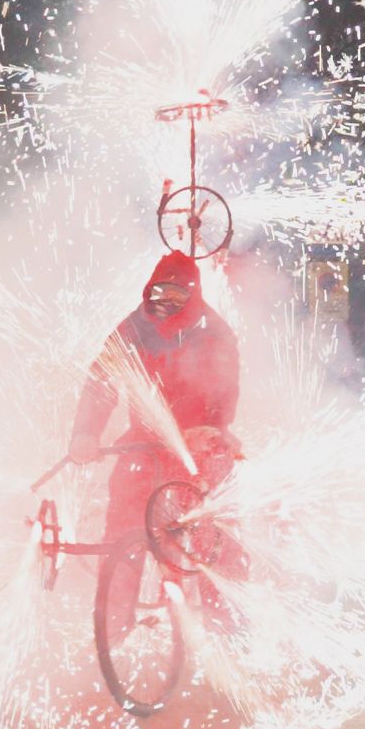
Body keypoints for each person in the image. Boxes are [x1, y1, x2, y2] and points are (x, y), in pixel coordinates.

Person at [67, 251, 243, 630]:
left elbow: (226, 388)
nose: (165, 303)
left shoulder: (214, 333)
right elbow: (101, 381)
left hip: (201, 445)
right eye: (159, 292)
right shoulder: (132, 328)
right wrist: (86, 434)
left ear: (192, 296)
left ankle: (227, 626)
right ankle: (113, 625)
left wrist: (212, 427)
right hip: (144, 443)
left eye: (177, 296)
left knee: (216, 534)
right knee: (123, 523)